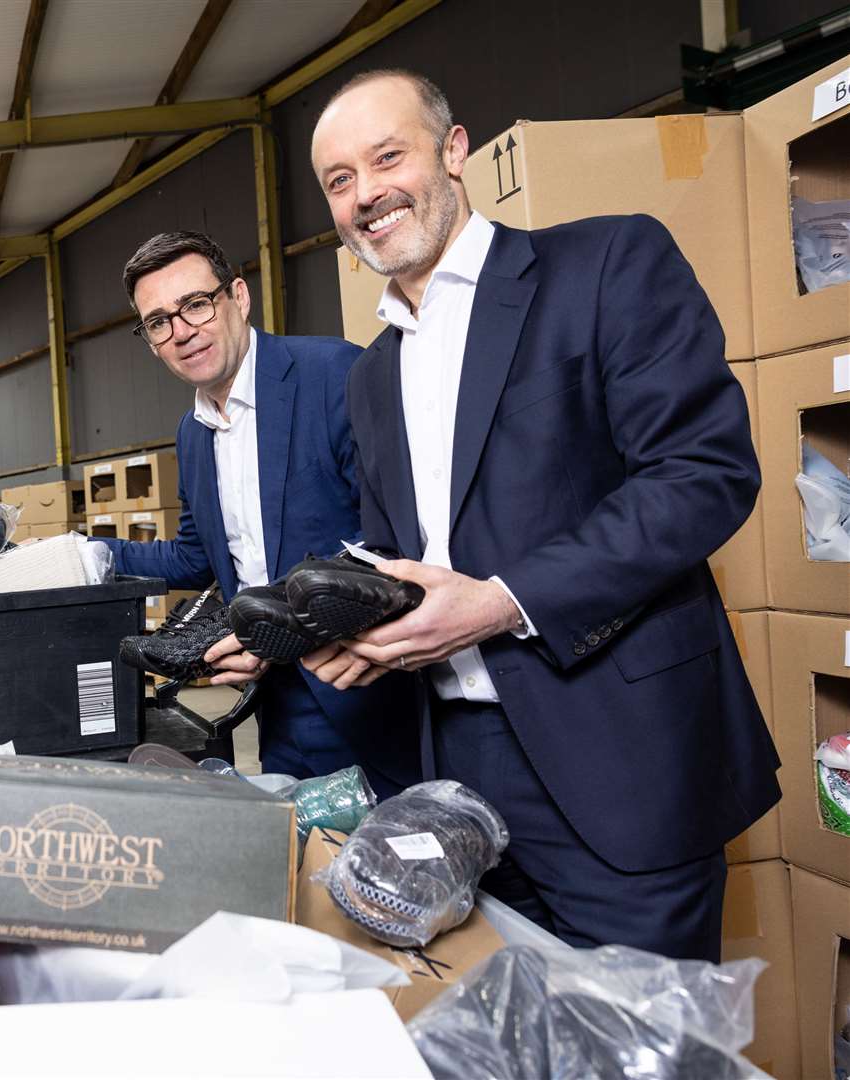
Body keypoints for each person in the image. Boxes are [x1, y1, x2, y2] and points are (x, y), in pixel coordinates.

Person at [305, 69, 780, 959]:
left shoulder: (604, 265)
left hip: (616, 756)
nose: (365, 194)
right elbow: (402, 553)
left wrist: (500, 600)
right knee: (507, 1041)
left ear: (453, 152)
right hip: (453, 772)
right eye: (338, 181)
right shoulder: (370, 375)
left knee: (647, 1047)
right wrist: (342, 620)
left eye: (385, 157)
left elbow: (701, 474)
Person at [95, 231, 420, 795]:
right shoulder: (193, 432)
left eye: (195, 304)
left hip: (371, 691)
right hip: (278, 706)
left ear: (238, 298)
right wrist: (89, 553)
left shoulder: (333, 374)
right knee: (300, 863)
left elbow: (393, 543)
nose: (182, 332)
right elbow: (197, 556)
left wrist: (277, 635)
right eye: (158, 322)